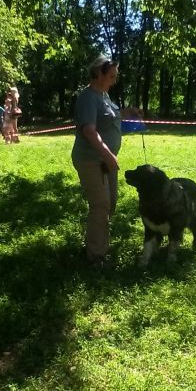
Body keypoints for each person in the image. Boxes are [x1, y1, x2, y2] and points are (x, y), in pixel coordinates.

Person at [71, 54, 143, 267]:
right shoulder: (87, 97)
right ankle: (96, 256)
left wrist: (127, 112)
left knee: (110, 204)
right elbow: (89, 131)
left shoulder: (104, 96)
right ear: (99, 74)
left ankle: (97, 241)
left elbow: (109, 115)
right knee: (101, 204)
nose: (114, 80)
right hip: (91, 160)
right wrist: (108, 155)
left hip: (105, 160)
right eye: (111, 76)